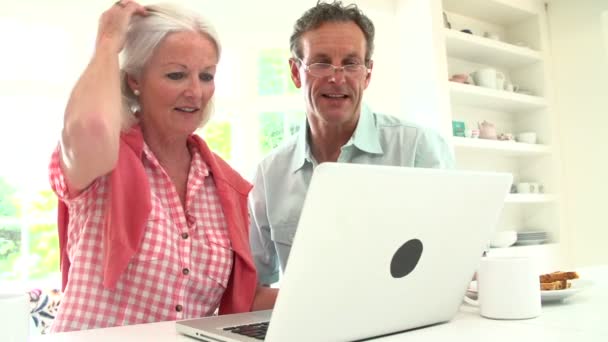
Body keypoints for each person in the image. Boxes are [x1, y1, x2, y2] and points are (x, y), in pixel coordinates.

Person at [48, 1, 276, 332]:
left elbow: (241, 298)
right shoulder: (103, 162)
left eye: (206, 76)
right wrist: (109, 39)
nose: (195, 92)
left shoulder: (226, 186)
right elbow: (92, 125)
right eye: (176, 74)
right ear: (134, 81)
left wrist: (329, 294)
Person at [249, 0, 454, 285]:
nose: (336, 77)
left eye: (351, 63)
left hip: (403, 325)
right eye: (321, 63)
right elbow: (254, 285)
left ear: (367, 73)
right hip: (308, 326)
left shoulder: (417, 147)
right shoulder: (269, 174)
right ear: (296, 72)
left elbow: (451, 259)